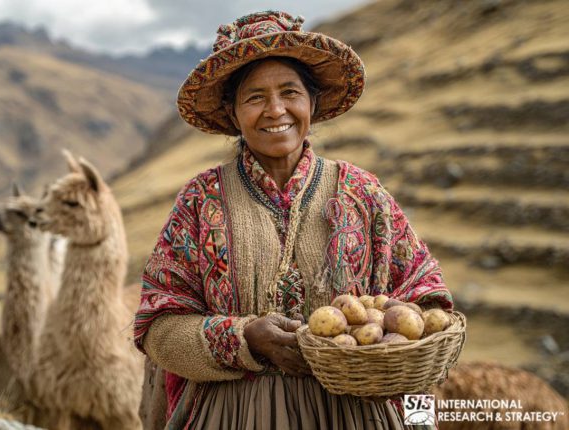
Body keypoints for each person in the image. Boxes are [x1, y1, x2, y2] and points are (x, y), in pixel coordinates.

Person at [134, 10, 453, 430]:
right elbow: (159, 326)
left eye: (290, 92)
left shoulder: (363, 193)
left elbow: (428, 305)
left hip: (354, 414)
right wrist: (242, 337)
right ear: (232, 114)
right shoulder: (201, 199)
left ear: (312, 103)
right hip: (232, 416)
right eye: (254, 97)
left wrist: (414, 416)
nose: (275, 110)